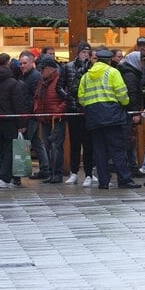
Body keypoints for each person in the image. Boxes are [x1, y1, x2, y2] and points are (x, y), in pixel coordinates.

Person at [78, 49, 140, 189]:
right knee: (117, 149)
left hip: (93, 117)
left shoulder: (86, 76)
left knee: (99, 151)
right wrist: (124, 104)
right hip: (112, 116)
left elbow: (81, 98)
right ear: (109, 60)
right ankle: (124, 180)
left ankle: (103, 182)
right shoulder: (113, 72)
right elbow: (122, 94)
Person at [0, 52, 26, 188]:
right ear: (8, 63)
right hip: (10, 121)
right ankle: (5, 177)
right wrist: (21, 123)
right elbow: (18, 104)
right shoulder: (13, 83)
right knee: (9, 149)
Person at [63, 43, 94, 185]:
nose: (85, 54)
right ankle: (74, 172)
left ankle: (89, 173)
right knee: (75, 143)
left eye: (88, 52)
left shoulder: (92, 67)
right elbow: (60, 86)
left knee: (88, 143)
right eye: (83, 52)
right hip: (73, 109)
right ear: (78, 53)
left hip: (87, 110)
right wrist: (68, 97)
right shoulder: (68, 67)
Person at [34, 56, 68, 184]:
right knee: (49, 146)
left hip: (56, 119)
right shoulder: (44, 81)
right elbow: (37, 97)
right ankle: (52, 173)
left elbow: (66, 99)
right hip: (46, 118)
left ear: (49, 69)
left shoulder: (59, 80)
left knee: (55, 146)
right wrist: (37, 111)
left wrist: (58, 112)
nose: (40, 72)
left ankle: (57, 174)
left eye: (42, 69)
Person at [17, 52, 50, 180]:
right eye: (20, 63)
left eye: (25, 63)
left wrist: (24, 119)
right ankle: (45, 168)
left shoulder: (34, 77)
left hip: (31, 115)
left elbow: (32, 100)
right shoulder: (26, 76)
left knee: (33, 142)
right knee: (36, 142)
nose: (22, 66)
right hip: (30, 115)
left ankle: (41, 168)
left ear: (32, 62)